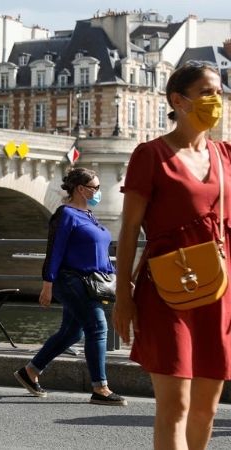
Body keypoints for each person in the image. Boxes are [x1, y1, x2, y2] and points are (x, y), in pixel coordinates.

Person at [114, 61, 231, 449]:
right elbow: (130, 229)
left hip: (219, 293)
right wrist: (123, 297)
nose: (217, 100)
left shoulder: (225, 155)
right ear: (178, 100)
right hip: (166, 292)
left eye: (219, 92)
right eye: (207, 92)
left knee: (206, 409)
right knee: (176, 405)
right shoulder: (150, 155)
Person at [12, 167, 126, 406]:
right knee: (97, 327)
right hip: (71, 280)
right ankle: (100, 388)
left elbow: (101, 254)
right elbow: (55, 250)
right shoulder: (65, 214)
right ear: (81, 190)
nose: (98, 192)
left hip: (92, 282)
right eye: (95, 187)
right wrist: (47, 284)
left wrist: (119, 278)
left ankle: (30, 372)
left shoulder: (90, 215)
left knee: (72, 332)